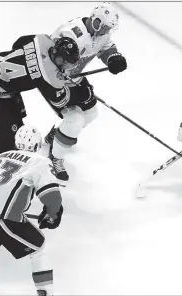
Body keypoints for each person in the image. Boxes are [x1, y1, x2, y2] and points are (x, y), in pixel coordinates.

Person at [0, 33, 83, 190]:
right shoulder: (49, 76)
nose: (67, 67)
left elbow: (18, 43)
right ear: (59, 58)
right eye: (66, 64)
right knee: (4, 141)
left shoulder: (42, 40)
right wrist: (67, 82)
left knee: (18, 131)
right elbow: (60, 101)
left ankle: (3, 167)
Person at [0, 125, 63, 296]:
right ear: (37, 145)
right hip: (3, 218)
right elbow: (52, 197)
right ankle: (46, 292)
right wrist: (53, 214)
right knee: (39, 248)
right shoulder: (39, 160)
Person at [42, 2, 128, 181]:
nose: (106, 32)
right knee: (75, 120)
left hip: (73, 77)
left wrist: (113, 58)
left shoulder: (100, 33)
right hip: (52, 81)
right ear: (96, 21)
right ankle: (55, 157)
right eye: (104, 27)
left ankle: (56, 136)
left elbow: (106, 47)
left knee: (90, 115)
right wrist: (67, 85)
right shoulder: (70, 34)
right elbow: (48, 63)